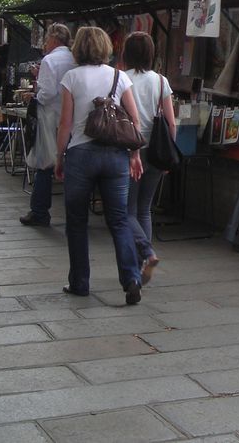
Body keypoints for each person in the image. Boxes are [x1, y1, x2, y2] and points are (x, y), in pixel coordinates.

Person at [54, 27, 144, 305]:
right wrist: (135, 155)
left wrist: (59, 157)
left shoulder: (71, 78)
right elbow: (134, 120)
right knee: (118, 220)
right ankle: (131, 279)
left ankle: (80, 282)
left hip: (81, 155)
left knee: (77, 221)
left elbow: (66, 124)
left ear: (78, 48)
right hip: (115, 155)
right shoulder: (118, 76)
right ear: (106, 47)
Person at [121, 31, 176, 284]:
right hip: (155, 150)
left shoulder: (121, 78)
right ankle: (145, 260)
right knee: (145, 209)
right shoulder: (162, 82)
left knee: (127, 210)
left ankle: (145, 254)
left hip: (131, 149)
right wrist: (168, 155)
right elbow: (170, 122)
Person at [21, 24, 76, 227]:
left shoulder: (49, 60)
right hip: (73, 118)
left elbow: (46, 94)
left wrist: (33, 95)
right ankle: (74, 213)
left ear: (54, 38)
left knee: (45, 164)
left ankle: (39, 211)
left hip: (50, 118)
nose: (45, 43)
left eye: (47, 39)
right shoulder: (75, 58)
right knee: (71, 165)